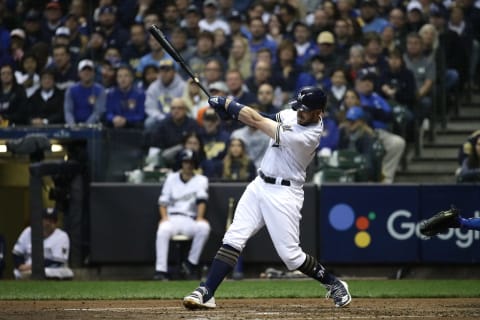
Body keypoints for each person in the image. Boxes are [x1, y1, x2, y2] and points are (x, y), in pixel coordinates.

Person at [183, 86, 351, 309]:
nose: (299, 112)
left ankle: (334, 283)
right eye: (298, 107)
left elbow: (256, 121)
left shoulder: (308, 136)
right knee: (234, 236)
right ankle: (207, 291)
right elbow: (265, 117)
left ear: (318, 113)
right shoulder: (294, 114)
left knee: (291, 257)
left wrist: (228, 104)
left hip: (284, 193)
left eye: (305, 110)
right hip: (260, 184)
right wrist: (233, 115)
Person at [154, 149, 211, 281]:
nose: (188, 165)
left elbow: (202, 201)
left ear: (195, 164)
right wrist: (163, 218)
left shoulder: (201, 180)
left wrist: (200, 218)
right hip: (172, 218)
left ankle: (191, 263)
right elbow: (163, 201)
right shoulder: (171, 178)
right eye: (186, 162)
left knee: (203, 227)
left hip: (189, 219)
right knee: (163, 229)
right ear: (181, 163)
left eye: (191, 162)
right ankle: (160, 270)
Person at [12, 208, 74, 280]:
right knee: (18, 272)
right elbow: (16, 253)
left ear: (56, 223)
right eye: (45, 220)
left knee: (47, 272)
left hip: (52, 269)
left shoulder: (62, 236)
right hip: (27, 268)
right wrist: (20, 266)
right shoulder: (28, 231)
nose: (48, 223)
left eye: (51, 221)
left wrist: (32, 267)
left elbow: (58, 261)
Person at [64, 59, 106, 125]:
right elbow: (68, 111)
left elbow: (98, 111)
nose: (86, 73)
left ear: (93, 73)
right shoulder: (71, 90)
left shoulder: (100, 90)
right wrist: (72, 124)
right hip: (74, 125)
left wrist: (86, 126)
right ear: (79, 73)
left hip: (93, 127)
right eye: (83, 70)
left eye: (89, 70)